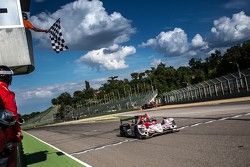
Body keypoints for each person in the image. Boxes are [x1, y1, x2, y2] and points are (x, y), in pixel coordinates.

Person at [0, 65, 22, 167]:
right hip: (4, 138)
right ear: (7, 77)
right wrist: (16, 136)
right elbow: (12, 117)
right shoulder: (5, 92)